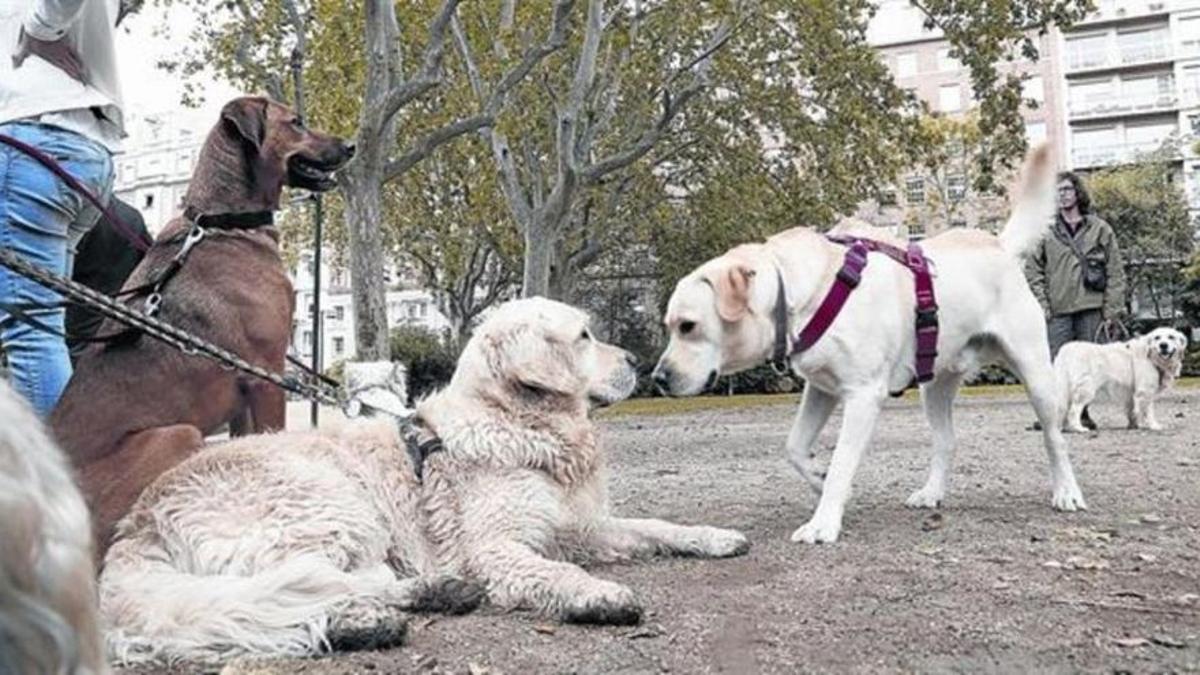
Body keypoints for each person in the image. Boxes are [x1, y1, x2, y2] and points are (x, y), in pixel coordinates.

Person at [0, 0, 126, 416]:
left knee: (30, 328)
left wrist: (41, 27)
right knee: (43, 325)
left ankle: (62, 477)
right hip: (84, 150)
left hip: (34, 141)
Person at [1026, 171, 1127, 431]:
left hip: (1092, 308)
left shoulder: (1100, 228)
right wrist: (1043, 305)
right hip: (1058, 310)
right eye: (1057, 191)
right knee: (1055, 366)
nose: (1062, 195)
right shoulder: (1045, 231)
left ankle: (1081, 414)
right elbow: (1032, 270)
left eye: (1067, 189)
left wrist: (1112, 310)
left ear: (1078, 193)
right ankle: (1051, 415)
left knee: (1089, 367)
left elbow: (1116, 270)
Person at [65, 195, 147, 358]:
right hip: (117, 324)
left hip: (75, 326)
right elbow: (148, 264)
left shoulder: (77, 212)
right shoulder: (132, 216)